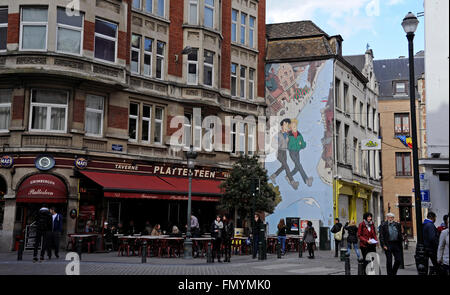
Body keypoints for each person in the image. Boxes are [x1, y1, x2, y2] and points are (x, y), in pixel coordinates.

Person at [270, 118, 299, 190]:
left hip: (284, 152)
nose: (286, 126)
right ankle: (292, 182)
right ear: (282, 126)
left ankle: (273, 176)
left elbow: (290, 143)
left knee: (283, 166)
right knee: (286, 166)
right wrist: (278, 146)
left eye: (287, 125)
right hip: (279, 152)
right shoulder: (278, 135)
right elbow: (272, 143)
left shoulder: (288, 135)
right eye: (285, 124)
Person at [287, 119, 313, 187]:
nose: (294, 127)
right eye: (292, 126)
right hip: (292, 152)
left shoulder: (299, 135)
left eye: (295, 126)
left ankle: (288, 176)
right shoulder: (289, 135)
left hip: (297, 152)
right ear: (291, 127)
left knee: (297, 167)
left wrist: (301, 144)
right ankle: (306, 180)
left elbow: (303, 145)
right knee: (299, 165)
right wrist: (289, 145)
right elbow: (286, 144)